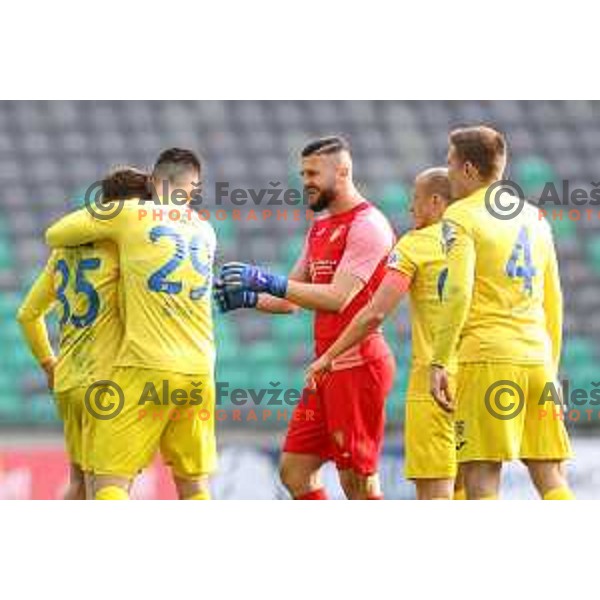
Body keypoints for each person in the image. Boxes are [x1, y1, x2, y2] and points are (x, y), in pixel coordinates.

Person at [216, 136, 395, 499]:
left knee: (357, 483)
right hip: (326, 369)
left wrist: (267, 280)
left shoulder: (367, 225)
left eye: (313, 173)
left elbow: (337, 299)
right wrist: (249, 297)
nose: (306, 181)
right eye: (302, 173)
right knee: (295, 471)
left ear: (342, 172)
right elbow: (290, 299)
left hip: (357, 368)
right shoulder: (321, 227)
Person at [45, 148, 217, 500]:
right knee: (193, 485)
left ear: (155, 182)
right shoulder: (205, 228)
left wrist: (105, 216)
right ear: (193, 188)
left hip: (145, 365)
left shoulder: (131, 214)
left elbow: (55, 234)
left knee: (109, 480)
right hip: (200, 371)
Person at [430, 126, 574, 500]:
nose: (446, 172)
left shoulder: (460, 215)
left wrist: (440, 362)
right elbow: (553, 299)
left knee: (481, 475)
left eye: (450, 164)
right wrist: (551, 368)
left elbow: (458, 290)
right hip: (537, 360)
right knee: (550, 476)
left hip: (488, 358)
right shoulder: (536, 218)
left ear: (468, 170)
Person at [305, 167, 465, 499]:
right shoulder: (479, 238)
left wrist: (330, 355)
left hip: (436, 379)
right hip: (480, 371)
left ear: (436, 202)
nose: (410, 208)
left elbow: (375, 313)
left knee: (435, 492)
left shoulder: (415, 243)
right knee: (476, 483)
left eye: (415, 200)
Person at [17, 167, 150, 499]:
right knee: (108, 488)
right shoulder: (127, 248)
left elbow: (28, 315)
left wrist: (49, 364)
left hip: (69, 382)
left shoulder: (64, 249)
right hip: (110, 383)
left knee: (78, 484)